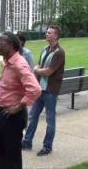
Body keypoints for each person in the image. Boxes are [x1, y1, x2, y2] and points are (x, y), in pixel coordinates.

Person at [0, 31, 41, 169]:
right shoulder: (5, 62)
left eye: (0, 43)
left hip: (13, 116)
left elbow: (35, 89)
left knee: (11, 158)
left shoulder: (19, 64)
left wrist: (19, 106)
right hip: (2, 113)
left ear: (12, 45)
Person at [22, 25, 65, 156]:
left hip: (50, 92)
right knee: (32, 116)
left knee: (50, 120)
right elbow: (40, 67)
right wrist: (36, 75)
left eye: (49, 32)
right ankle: (27, 142)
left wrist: (36, 70)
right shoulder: (45, 49)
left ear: (56, 36)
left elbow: (48, 72)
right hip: (40, 90)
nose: (46, 34)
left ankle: (47, 146)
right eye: (47, 32)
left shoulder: (59, 52)